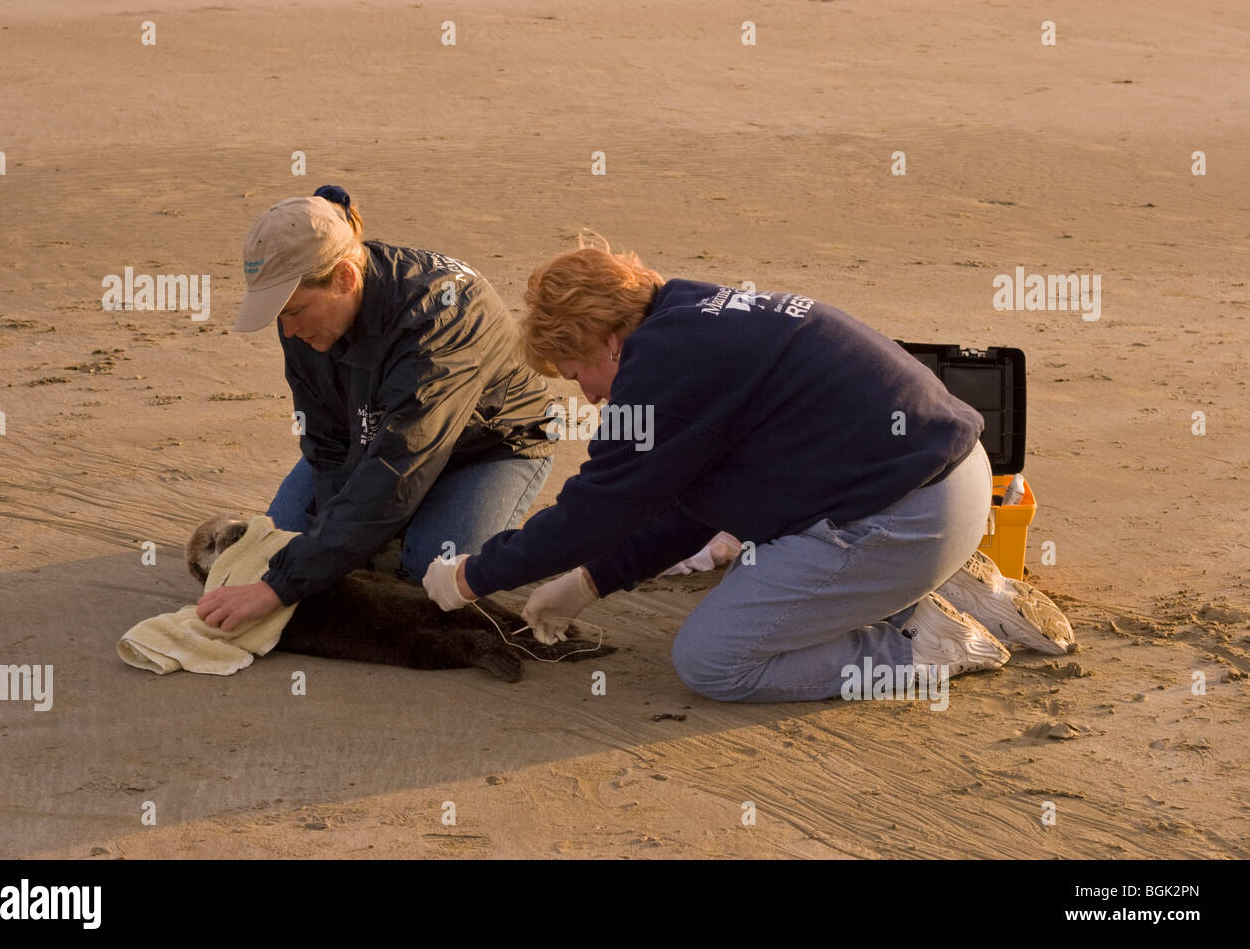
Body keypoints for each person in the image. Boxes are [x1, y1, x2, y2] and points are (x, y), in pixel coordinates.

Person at [423, 238, 1076, 702]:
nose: (590, 397)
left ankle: (923, 650)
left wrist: (472, 577)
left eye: (578, 375)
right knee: (762, 554)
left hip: (905, 521)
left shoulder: (660, 374)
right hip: (955, 481)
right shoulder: (693, 313)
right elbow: (691, 503)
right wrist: (591, 582)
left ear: (606, 341)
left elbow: (596, 509)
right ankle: (953, 593)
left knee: (715, 662)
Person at [196, 187, 556, 632]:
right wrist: (327, 555)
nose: (287, 331)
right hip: (370, 437)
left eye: (294, 311)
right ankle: (370, 536)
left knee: (434, 573)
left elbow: (397, 471)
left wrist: (278, 588)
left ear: (345, 278)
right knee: (281, 546)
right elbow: (327, 443)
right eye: (277, 314)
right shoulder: (303, 320)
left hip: (488, 446)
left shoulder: (439, 320)